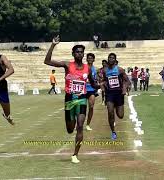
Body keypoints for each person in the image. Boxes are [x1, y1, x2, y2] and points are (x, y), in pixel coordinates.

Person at [44, 35, 99, 164]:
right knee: (70, 129)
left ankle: (75, 154)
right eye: (77, 52)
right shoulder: (67, 65)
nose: (80, 54)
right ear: (73, 54)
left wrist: (101, 85)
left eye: (81, 52)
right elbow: (47, 61)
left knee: (80, 126)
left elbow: (93, 83)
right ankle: (71, 125)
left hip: (81, 99)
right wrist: (53, 45)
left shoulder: (88, 68)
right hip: (69, 99)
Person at [101, 53, 130, 140]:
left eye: (112, 58)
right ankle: (113, 132)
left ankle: (117, 106)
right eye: (109, 58)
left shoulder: (120, 70)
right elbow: (102, 81)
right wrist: (102, 86)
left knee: (120, 115)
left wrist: (124, 88)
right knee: (110, 112)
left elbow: (127, 81)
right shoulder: (105, 71)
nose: (110, 59)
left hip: (119, 94)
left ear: (115, 60)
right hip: (109, 94)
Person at [85, 53, 98, 131]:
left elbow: (95, 80)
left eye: (91, 58)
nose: (90, 59)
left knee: (91, 107)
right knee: (81, 108)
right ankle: (79, 123)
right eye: (88, 58)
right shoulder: (83, 67)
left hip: (91, 91)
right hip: (83, 90)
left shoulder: (94, 69)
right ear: (86, 59)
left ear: (93, 60)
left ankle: (88, 124)